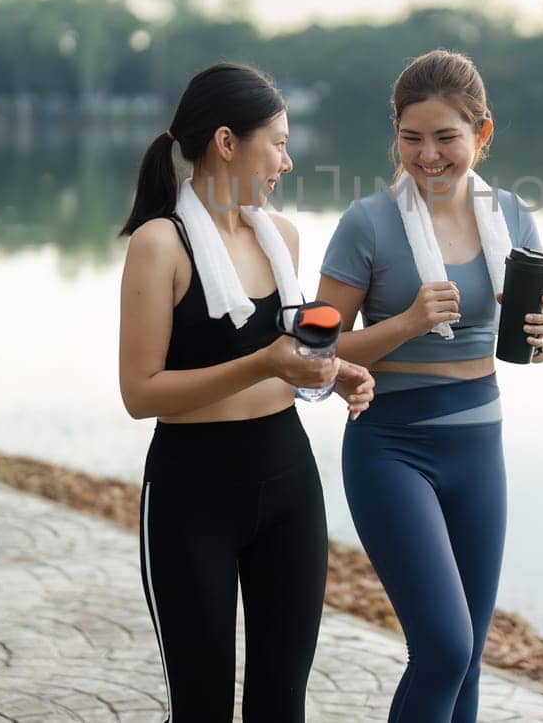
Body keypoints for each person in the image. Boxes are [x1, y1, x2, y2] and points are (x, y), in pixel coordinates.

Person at [118, 62, 375, 723]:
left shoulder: (280, 235)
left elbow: (292, 351)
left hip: (288, 482)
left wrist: (333, 369)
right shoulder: (160, 245)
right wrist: (264, 362)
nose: (287, 161)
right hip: (190, 494)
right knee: (201, 708)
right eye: (278, 142)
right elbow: (141, 392)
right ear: (227, 142)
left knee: (281, 704)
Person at [317, 49, 543, 722]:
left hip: (479, 447)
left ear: (481, 134)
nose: (429, 155)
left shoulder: (512, 217)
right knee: (445, 647)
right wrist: (404, 323)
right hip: (390, 450)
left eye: (446, 137)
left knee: (469, 656)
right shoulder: (365, 223)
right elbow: (316, 350)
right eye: (412, 137)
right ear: (394, 133)